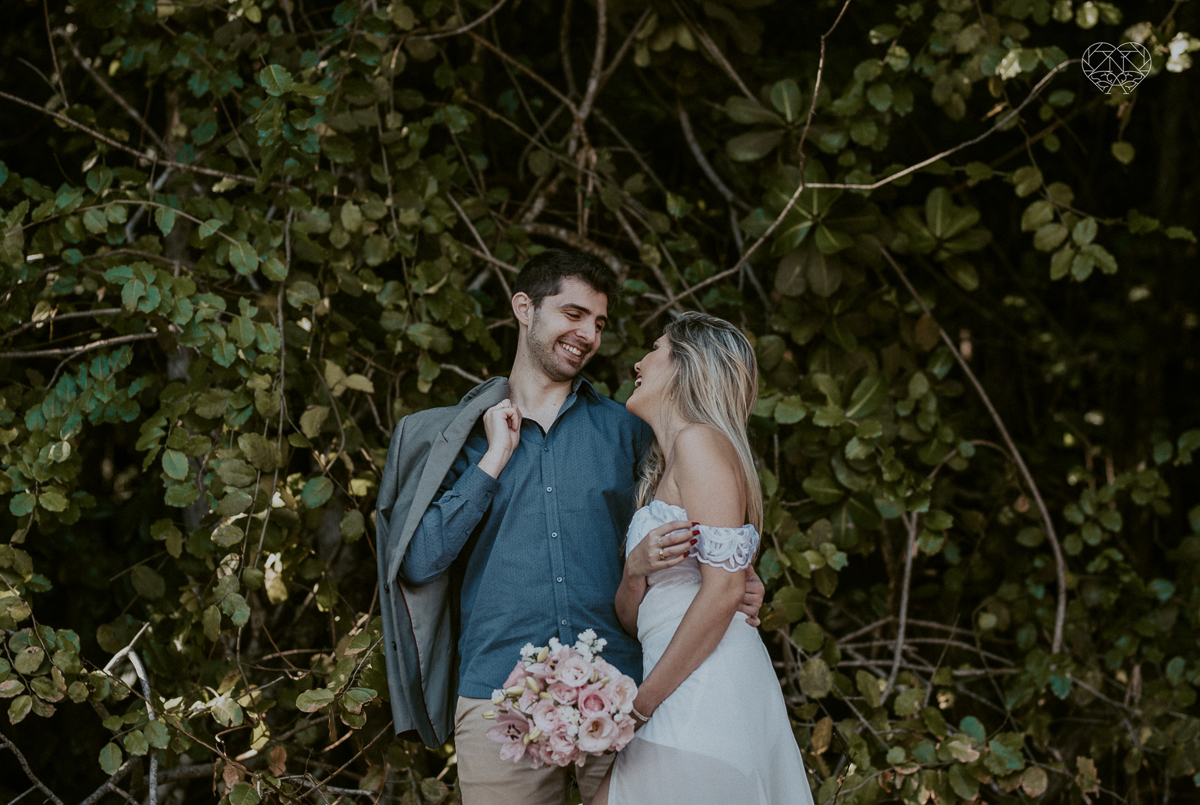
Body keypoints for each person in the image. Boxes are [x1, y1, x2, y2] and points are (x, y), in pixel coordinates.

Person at [374, 248, 765, 805]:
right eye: (574, 314)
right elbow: (417, 562)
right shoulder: (460, 440)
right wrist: (493, 460)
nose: (588, 334)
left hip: (621, 692)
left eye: (599, 323)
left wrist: (741, 577)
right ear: (524, 308)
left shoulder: (628, 429)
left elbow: (700, 516)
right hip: (497, 696)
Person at [591, 312, 815, 805]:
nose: (639, 361)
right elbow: (636, 621)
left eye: (654, 349)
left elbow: (726, 589)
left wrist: (641, 705)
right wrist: (635, 570)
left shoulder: (700, 443)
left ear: (683, 366)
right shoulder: (665, 468)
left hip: (704, 685)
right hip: (674, 677)